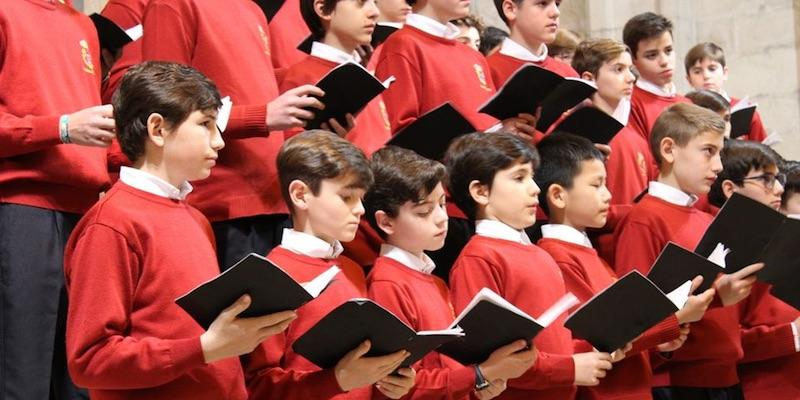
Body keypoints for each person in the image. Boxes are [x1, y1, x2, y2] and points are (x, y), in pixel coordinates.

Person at [245, 130, 416, 399]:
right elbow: (258, 386)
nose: (360, 209)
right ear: (301, 195)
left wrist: (391, 384)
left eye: (361, 198)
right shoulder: (272, 275)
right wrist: (337, 380)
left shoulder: (352, 269)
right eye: (347, 197)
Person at [0, 2, 115, 398]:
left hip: (85, 214)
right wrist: (62, 127)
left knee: (79, 375)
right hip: (21, 207)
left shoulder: (83, 24)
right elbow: (70, 127)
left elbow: (94, 139)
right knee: (21, 368)